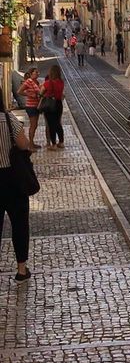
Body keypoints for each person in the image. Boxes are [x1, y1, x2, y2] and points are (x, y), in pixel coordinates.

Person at [0, 87, 33, 281]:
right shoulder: (9, 119)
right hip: (13, 180)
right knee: (19, 224)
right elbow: (24, 144)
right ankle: (21, 270)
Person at [41, 64, 65, 150]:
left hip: (50, 104)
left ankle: (53, 144)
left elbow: (41, 93)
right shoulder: (61, 82)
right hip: (59, 104)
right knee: (58, 123)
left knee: (51, 124)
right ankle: (61, 142)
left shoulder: (48, 83)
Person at [18, 67, 42, 150]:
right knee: (33, 125)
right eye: (36, 72)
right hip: (31, 106)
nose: (38, 73)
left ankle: (32, 143)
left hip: (36, 106)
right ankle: (30, 145)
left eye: (38, 72)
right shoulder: (29, 81)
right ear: (31, 74)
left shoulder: (36, 82)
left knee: (35, 125)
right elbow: (19, 91)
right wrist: (30, 95)